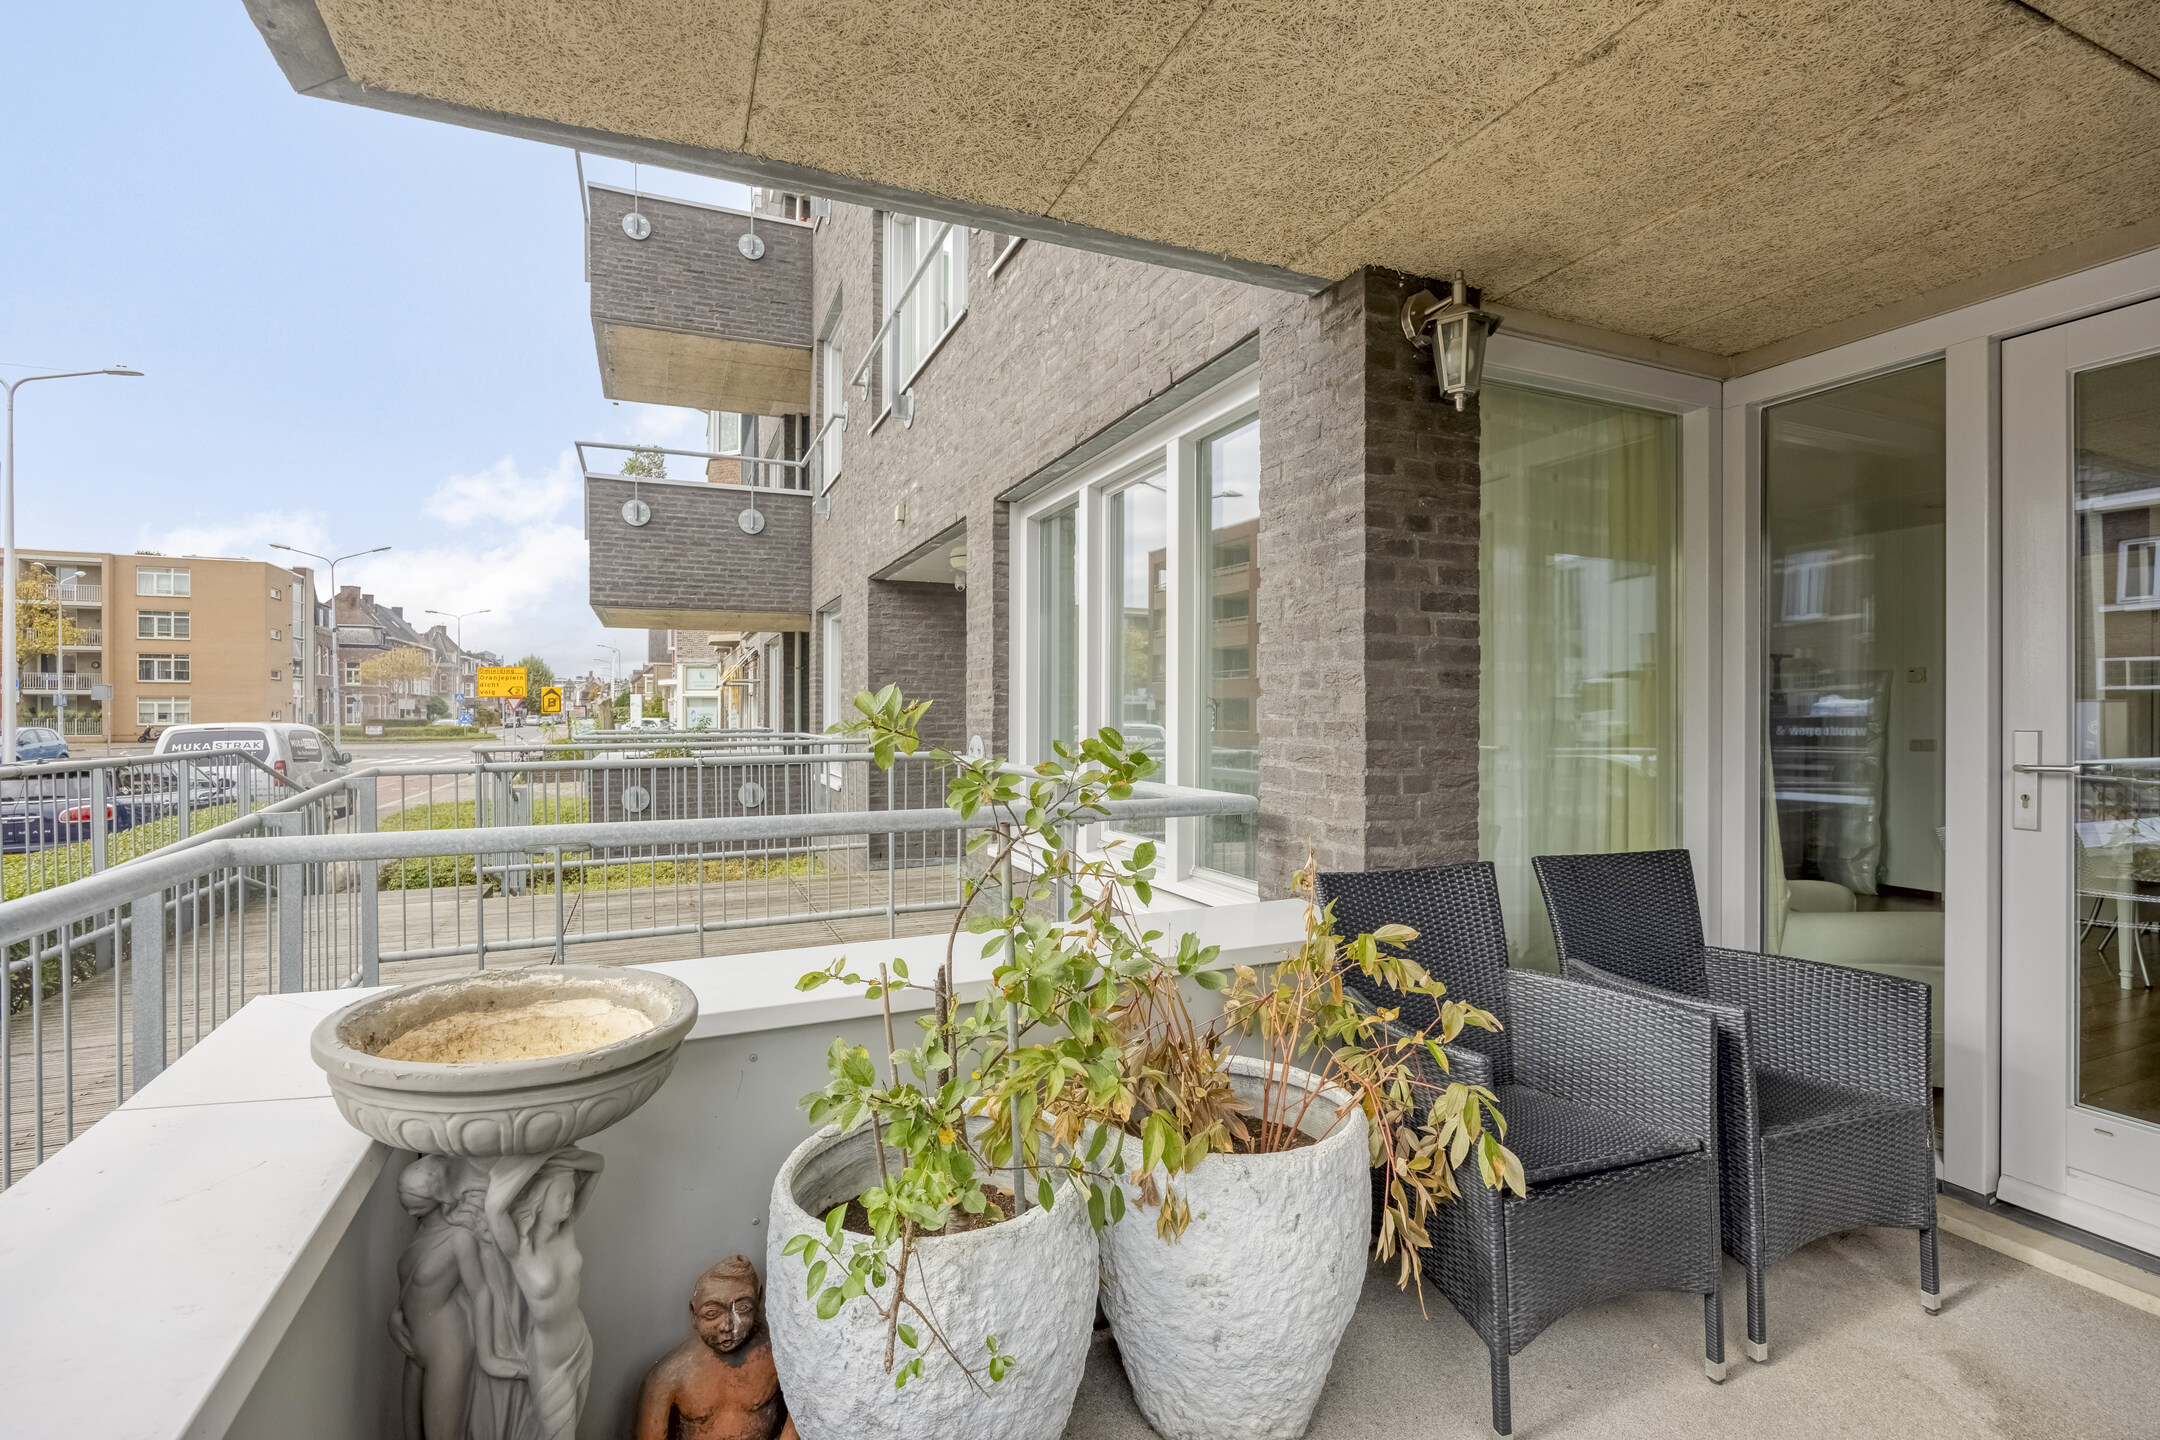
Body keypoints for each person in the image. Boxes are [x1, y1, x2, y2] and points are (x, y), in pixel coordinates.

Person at [391, 1156, 524, 1440]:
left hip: (446, 1347)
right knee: (411, 1433)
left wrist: (488, 1357)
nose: (405, 1198)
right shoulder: (422, 1230)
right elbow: (412, 1284)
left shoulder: (459, 1238)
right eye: (404, 1191)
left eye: (414, 1193)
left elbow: (481, 1293)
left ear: (439, 1194)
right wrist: (395, 1315)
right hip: (413, 1343)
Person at [486, 1148, 604, 1440]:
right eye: (561, 1196)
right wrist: (536, 1160)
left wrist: (557, 1157)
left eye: (570, 1194)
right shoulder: (519, 1249)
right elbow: (495, 1208)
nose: (569, 1202)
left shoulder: (567, 1229)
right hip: (549, 1361)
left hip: (581, 1343)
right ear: (539, 1200)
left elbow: (597, 1165)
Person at [635, 1257, 796, 1440]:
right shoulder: (668, 1376)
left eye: (742, 1308)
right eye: (712, 1313)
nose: (727, 1326)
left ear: (758, 1300)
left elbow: (801, 1410)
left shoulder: (778, 1357)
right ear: (694, 1313)